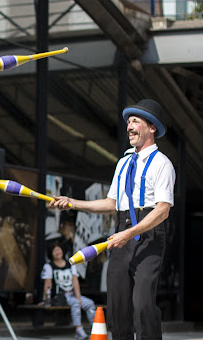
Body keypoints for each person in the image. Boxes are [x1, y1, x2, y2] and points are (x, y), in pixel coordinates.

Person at [49, 99, 176, 340]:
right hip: (121, 232)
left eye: (135, 121)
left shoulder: (163, 164)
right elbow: (111, 204)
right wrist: (72, 202)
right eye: (128, 122)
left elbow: (162, 211)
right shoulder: (124, 163)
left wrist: (128, 233)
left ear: (152, 128)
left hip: (149, 235)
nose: (129, 126)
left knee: (142, 305)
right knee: (117, 308)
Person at [40, 241, 96, 339]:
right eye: (54, 250)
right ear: (50, 254)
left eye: (58, 249)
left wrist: (79, 297)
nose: (57, 252)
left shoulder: (70, 264)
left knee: (90, 303)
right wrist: (45, 300)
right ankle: (78, 329)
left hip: (72, 295)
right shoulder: (49, 266)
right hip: (60, 296)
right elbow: (47, 284)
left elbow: (75, 282)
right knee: (76, 303)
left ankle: (94, 328)